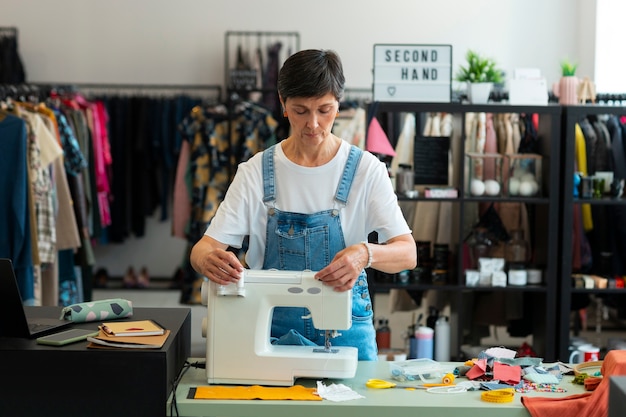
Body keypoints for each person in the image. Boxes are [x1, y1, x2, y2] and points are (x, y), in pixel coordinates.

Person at [190, 49, 416, 360]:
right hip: (269, 330)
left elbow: (408, 253)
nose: (313, 124)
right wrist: (207, 261)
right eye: (300, 110)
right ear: (282, 103)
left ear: (339, 103)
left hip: (348, 329)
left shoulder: (366, 170)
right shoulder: (255, 172)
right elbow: (202, 249)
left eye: (324, 110)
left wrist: (366, 253)